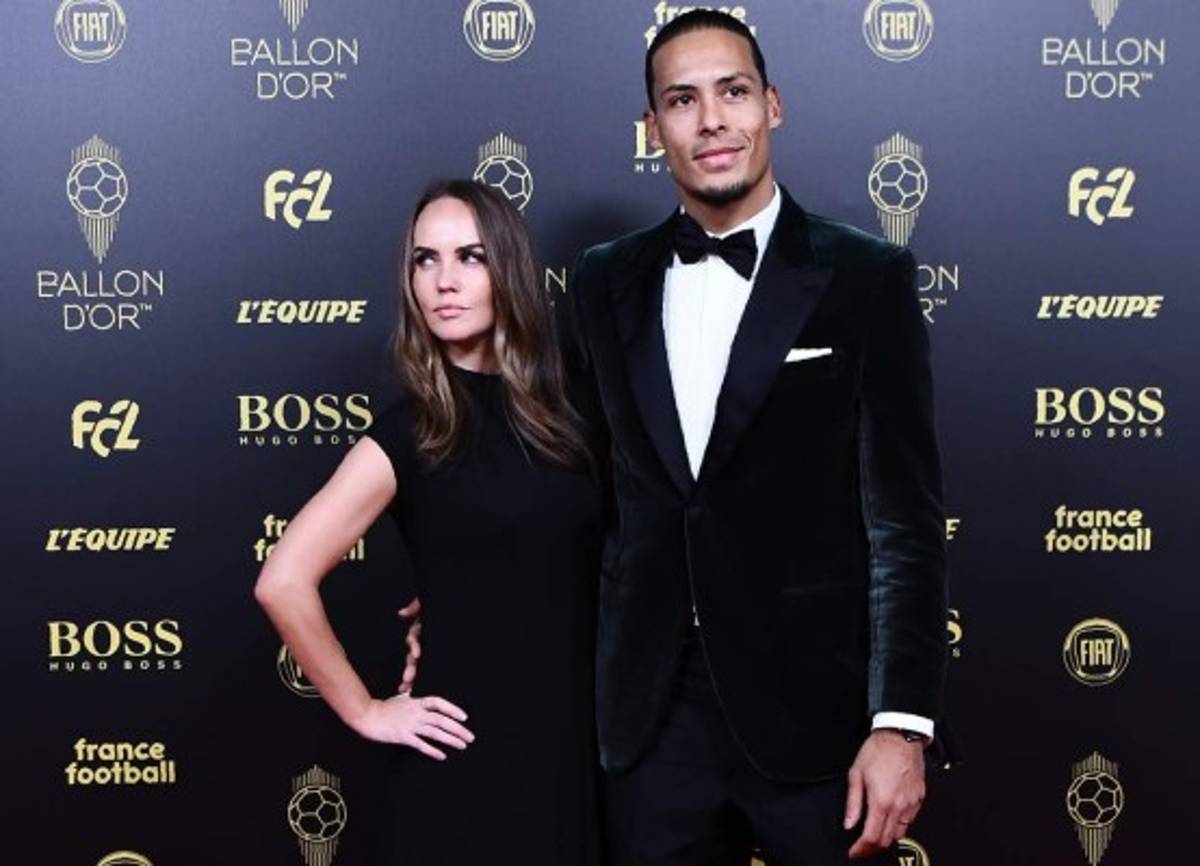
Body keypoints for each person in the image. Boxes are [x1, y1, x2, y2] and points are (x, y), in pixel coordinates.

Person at [563, 10, 949, 866]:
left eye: (732, 92)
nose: (711, 120)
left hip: (818, 716)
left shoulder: (866, 277)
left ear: (772, 104)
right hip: (651, 720)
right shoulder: (600, 281)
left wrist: (901, 725)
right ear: (652, 128)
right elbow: (580, 490)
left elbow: (906, 523)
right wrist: (468, 587)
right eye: (682, 100)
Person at [254, 178, 604, 866]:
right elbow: (282, 581)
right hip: (464, 756)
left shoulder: (577, 412)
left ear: (509, 270)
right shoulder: (412, 434)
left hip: (576, 748)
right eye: (425, 260)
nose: (445, 281)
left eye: (471, 257)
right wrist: (366, 710)